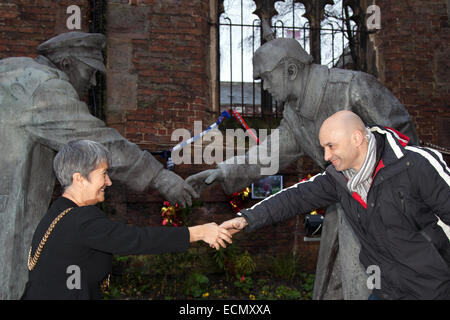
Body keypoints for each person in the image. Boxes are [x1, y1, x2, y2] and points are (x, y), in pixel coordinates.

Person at [186, 37, 419, 299]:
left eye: (266, 78)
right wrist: (223, 172)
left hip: (387, 215)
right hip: (342, 209)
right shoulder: (294, 116)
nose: (264, 87)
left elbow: (405, 142)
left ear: (291, 70)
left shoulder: (353, 87)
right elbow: (268, 154)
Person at [0, 31, 198, 299]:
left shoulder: (12, 71)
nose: (93, 82)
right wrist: (160, 177)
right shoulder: (44, 87)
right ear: (67, 63)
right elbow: (100, 142)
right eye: (90, 70)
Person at [219, 110, 450, 300]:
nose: (326, 156)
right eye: (323, 148)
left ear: (357, 139)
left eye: (331, 146)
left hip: (434, 291)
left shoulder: (415, 165)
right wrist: (248, 218)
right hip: (385, 291)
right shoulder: (338, 179)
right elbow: (295, 197)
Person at [21, 140, 232, 300]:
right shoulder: (81, 219)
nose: (109, 182)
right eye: (103, 174)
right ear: (79, 178)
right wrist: (200, 232)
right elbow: (136, 239)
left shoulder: (56, 213)